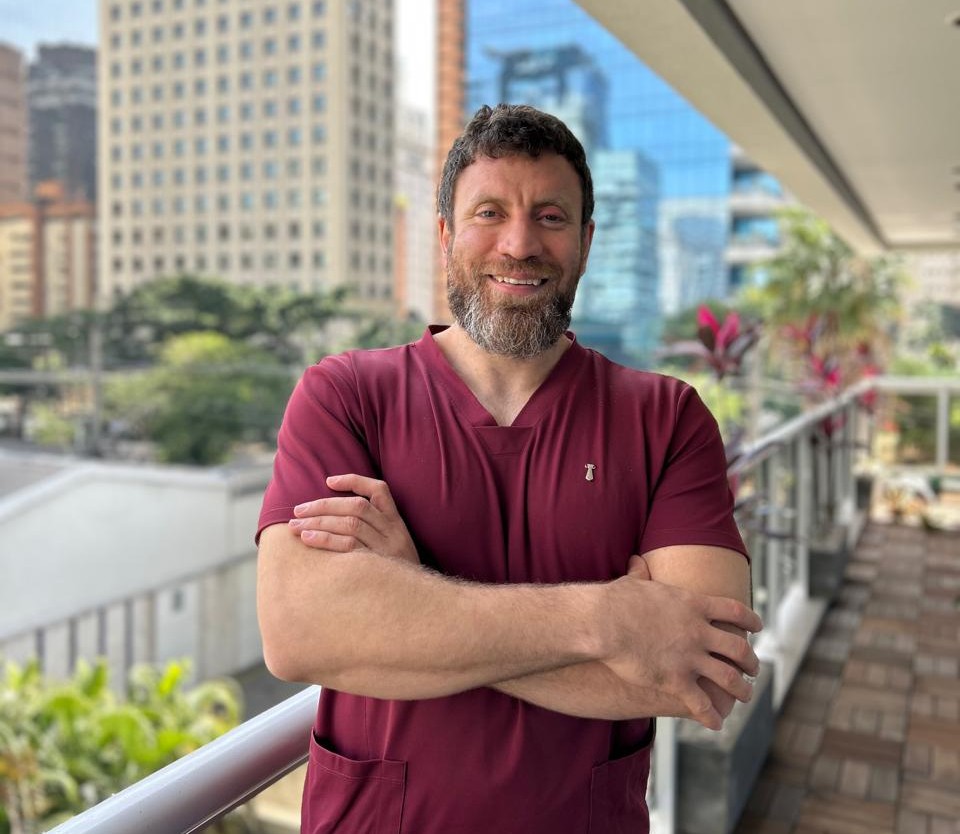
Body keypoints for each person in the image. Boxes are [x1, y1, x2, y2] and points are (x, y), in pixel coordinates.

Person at [256, 103, 762, 833]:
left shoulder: (666, 418)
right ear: (445, 235)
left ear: (586, 242)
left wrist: (411, 599)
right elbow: (299, 633)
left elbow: (703, 671)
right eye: (489, 213)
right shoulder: (346, 395)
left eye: (551, 217)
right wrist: (609, 619)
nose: (519, 244)